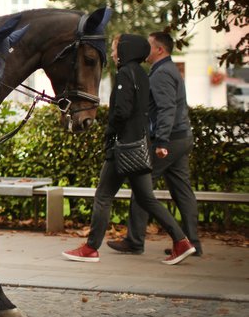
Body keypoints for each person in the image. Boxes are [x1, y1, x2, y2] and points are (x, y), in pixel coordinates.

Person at [63, 34, 197, 265]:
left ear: (126, 51)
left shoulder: (125, 73)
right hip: (139, 145)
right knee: (147, 198)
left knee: (103, 196)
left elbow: (122, 111)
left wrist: (109, 131)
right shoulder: (143, 75)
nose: (113, 54)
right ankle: (181, 241)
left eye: (116, 50)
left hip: (122, 147)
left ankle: (91, 248)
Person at [108, 32, 202, 256]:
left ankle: (134, 241)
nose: (144, 51)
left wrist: (161, 141)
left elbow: (166, 109)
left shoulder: (161, 74)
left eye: (148, 46)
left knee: (143, 188)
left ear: (159, 49)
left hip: (169, 140)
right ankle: (192, 244)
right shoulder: (168, 70)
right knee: (182, 192)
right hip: (180, 137)